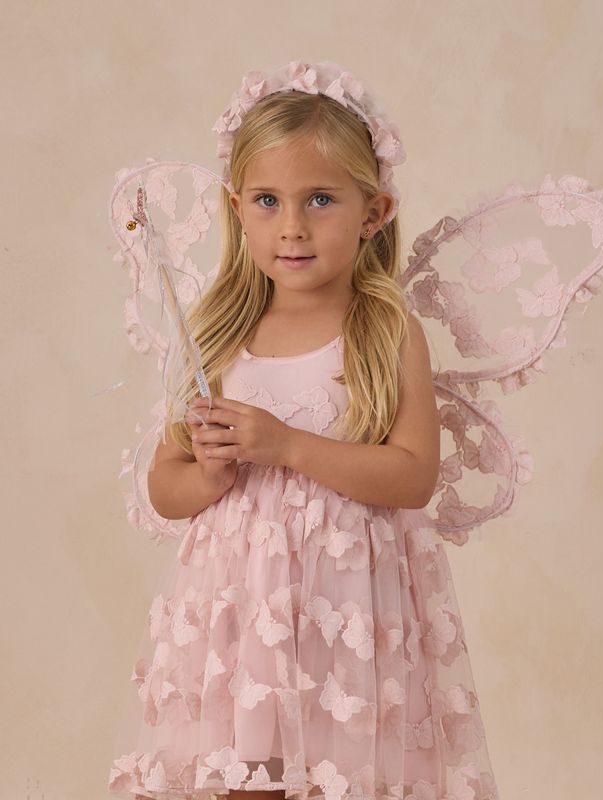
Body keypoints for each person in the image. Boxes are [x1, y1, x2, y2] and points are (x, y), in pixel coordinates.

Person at [108, 60, 501, 800]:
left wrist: (287, 445)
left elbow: (414, 476)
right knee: (249, 783)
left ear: (373, 212)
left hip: (346, 619)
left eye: (320, 199)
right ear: (237, 209)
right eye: (267, 200)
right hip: (243, 619)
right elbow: (165, 486)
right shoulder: (217, 337)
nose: (291, 225)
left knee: (340, 782)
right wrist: (211, 473)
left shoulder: (386, 332)